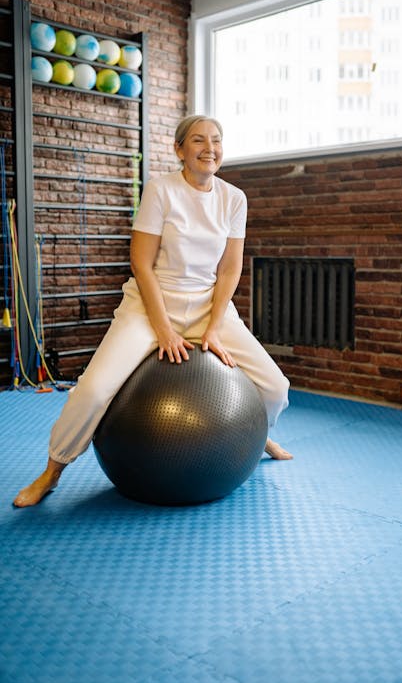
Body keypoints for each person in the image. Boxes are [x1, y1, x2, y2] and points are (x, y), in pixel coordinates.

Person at [13, 115, 292, 508]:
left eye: (216, 140)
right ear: (180, 149)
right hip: (150, 305)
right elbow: (141, 264)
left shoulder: (234, 199)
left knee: (276, 387)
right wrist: (163, 330)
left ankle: (251, 433)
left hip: (210, 306)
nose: (209, 148)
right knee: (93, 390)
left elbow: (230, 269)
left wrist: (212, 328)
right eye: (198, 140)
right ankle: (52, 470)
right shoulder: (161, 191)